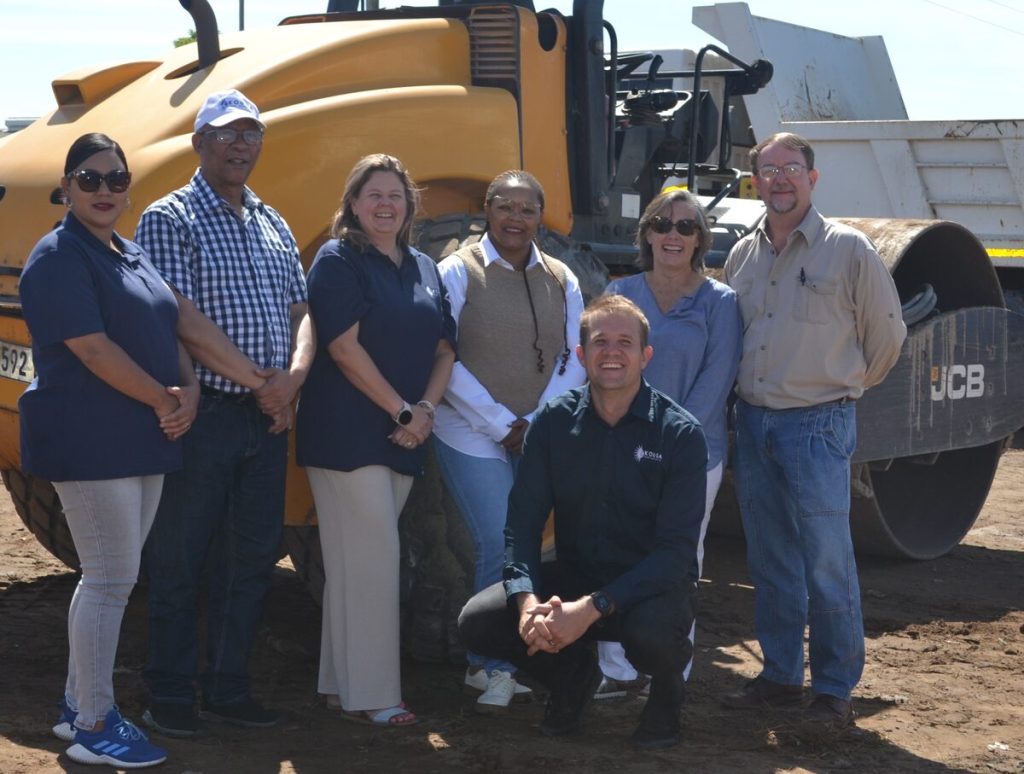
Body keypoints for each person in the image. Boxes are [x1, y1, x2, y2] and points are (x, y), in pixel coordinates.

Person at [135, 89, 313, 737]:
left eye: (250, 134)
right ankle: (171, 695)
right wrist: (258, 382)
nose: (241, 145)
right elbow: (178, 315)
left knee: (252, 560)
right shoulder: (169, 217)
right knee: (180, 560)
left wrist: (290, 381)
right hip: (205, 415)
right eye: (227, 134)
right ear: (198, 143)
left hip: (267, 421)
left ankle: (229, 688)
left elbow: (303, 313)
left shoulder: (274, 222)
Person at [458, 294, 708, 750]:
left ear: (645, 356)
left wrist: (591, 608)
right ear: (581, 354)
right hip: (577, 574)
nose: (611, 352)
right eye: (600, 341)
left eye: (625, 342)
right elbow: (521, 527)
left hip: (649, 586)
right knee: (479, 622)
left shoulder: (680, 433)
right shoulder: (554, 422)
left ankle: (668, 693)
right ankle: (572, 678)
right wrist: (529, 604)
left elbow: (675, 555)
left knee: (653, 635)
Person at [721, 132, 906, 729]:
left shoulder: (847, 250)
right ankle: (779, 677)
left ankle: (833, 690)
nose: (780, 179)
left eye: (791, 169)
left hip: (816, 425)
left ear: (812, 178)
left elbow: (887, 338)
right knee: (771, 558)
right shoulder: (742, 256)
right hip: (752, 423)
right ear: (756, 182)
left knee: (827, 560)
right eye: (768, 170)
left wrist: (840, 389)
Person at [18, 133, 185, 768]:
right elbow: (91, 348)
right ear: (67, 186)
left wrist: (185, 392)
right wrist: (164, 399)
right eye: (91, 179)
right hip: (89, 437)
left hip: (139, 435)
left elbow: (169, 325)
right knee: (111, 579)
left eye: (117, 179)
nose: (106, 190)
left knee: (113, 577)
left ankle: (74, 705)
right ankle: (93, 723)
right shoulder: (58, 256)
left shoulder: (126, 251)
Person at [295, 154, 456, 727]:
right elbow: (342, 347)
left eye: (395, 195)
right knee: (375, 562)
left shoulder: (424, 267)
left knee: (353, 565)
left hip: (404, 434)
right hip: (347, 434)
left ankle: (341, 687)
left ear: (410, 205)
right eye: (374, 195)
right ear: (354, 205)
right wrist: (404, 410)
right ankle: (378, 695)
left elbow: (445, 349)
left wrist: (426, 411)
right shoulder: (338, 260)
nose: (386, 204)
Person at [433, 170, 586, 713]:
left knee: (523, 544)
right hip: (469, 430)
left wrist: (538, 419)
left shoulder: (562, 276)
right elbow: (443, 357)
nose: (515, 218)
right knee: (500, 541)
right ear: (488, 211)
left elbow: (574, 355)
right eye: (504, 206)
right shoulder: (456, 269)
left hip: (533, 431)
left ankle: (484, 662)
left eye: (526, 209)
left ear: (539, 217)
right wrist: (502, 422)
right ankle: (497, 667)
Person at [600, 188, 742, 697]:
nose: (673, 235)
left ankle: (667, 670)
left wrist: (664, 442)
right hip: (622, 448)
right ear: (647, 235)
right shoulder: (622, 296)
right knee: (617, 555)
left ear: (700, 239)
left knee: (680, 562)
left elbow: (715, 382)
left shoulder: (720, 303)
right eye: (662, 224)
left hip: (691, 456)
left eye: (686, 226)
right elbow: (605, 369)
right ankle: (617, 670)